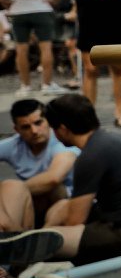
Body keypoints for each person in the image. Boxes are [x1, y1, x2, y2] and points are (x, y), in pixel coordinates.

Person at [24, 94, 121, 265]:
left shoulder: (90, 156)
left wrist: (53, 231)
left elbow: (75, 220)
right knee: (60, 208)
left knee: (46, 241)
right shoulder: (110, 139)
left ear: (63, 129)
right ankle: (35, 243)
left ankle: (25, 259)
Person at [0, 98, 79, 232]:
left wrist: (15, 192)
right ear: (16, 129)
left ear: (47, 121)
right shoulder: (14, 145)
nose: (34, 131)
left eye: (38, 123)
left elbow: (53, 178)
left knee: (51, 187)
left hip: (70, 205)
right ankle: (18, 236)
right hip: (32, 207)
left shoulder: (62, 141)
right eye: (26, 127)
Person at [0, 0, 67, 95]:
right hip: (41, 8)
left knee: (21, 49)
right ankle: (46, 84)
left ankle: (25, 86)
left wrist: (4, 1)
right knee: (45, 47)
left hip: (18, 9)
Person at [49, 0, 80, 86]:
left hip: (73, 13)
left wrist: (74, 10)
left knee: (72, 44)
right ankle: (77, 74)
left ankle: (78, 75)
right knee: (69, 45)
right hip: (60, 14)